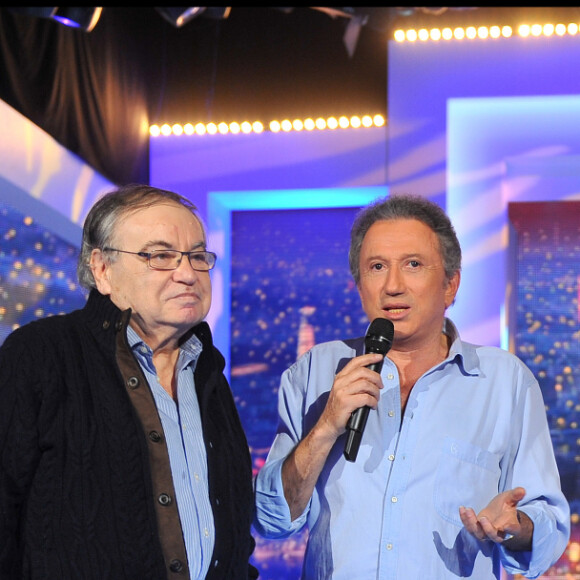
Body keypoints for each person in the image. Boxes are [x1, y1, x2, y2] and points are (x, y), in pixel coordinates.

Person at [253, 194, 570, 579]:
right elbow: (270, 519)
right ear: (358, 285)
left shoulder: (505, 381)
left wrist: (517, 525)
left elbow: (549, 522)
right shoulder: (315, 372)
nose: (392, 286)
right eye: (376, 267)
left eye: (413, 265)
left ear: (451, 285)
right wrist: (325, 428)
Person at [0, 184, 258, 579]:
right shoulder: (39, 355)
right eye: (161, 256)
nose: (187, 273)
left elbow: (234, 522)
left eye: (197, 256)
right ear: (102, 269)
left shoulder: (206, 371)